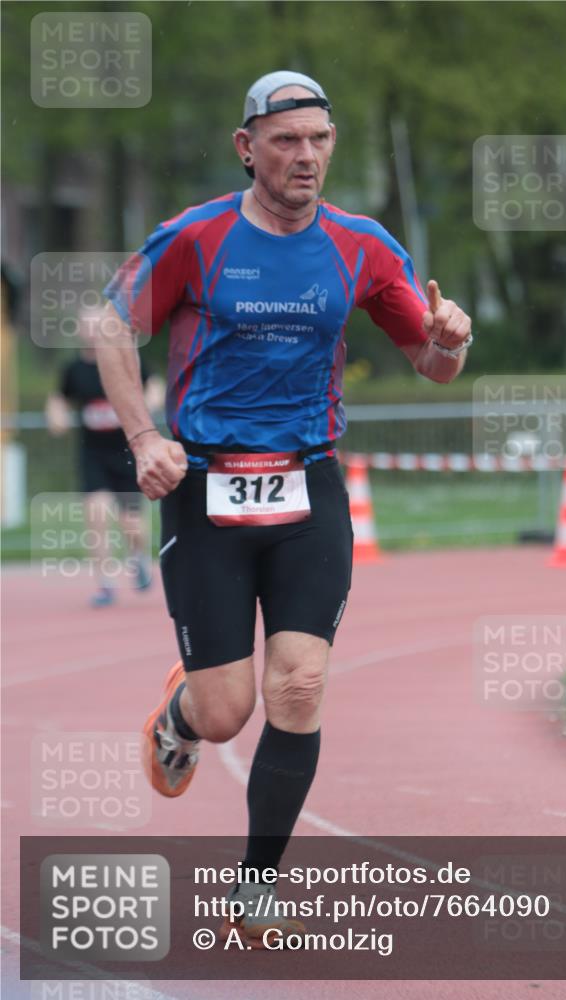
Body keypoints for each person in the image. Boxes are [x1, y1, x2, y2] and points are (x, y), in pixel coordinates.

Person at [97, 70, 472, 947]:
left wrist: (453, 342)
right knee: (227, 708)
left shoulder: (363, 246)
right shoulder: (195, 238)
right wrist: (146, 440)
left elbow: (432, 363)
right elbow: (110, 326)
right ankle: (180, 718)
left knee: (299, 683)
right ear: (247, 148)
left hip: (309, 485)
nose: (305, 157)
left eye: (318, 140)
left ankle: (256, 884)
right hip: (207, 487)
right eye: (286, 141)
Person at [46, 305, 164, 606]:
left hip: (126, 452)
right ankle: (105, 583)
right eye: (86, 326)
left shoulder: (124, 360)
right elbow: (59, 397)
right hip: (93, 453)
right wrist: (56, 415)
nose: (92, 331)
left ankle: (137, 558)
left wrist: (147, 406)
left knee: (131, 525)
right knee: (96, 516)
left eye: (97, 325)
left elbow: (155, 385)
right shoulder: (74, 369)